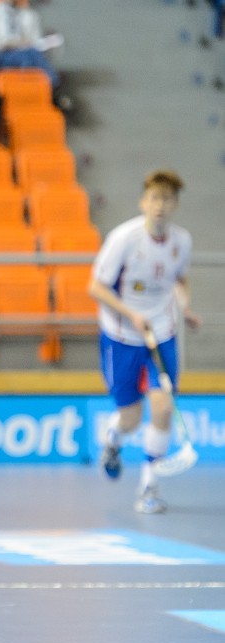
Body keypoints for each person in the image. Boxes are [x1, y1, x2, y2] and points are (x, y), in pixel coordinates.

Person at [89, 169, 200, 515]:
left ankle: (149, 487)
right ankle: (113, 438)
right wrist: (130, 315)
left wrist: (186, 307)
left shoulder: (182, 242)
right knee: (131, 418)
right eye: (155, 198)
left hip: (162, 333)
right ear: (143, 202)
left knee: (163, 408)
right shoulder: (124, 239)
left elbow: (179, 279)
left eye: (167, 199)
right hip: (121, 336)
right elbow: (96, 288)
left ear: (175, 205)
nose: (160, 206)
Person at [0, 0, 59, 87]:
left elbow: (35, 41)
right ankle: (47, 83)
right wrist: (6, 45)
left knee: (32, 54)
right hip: (2, 54)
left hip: (27, 52)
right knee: (27, 58)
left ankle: (45, 84)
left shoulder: (29, 14)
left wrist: (23, 43)